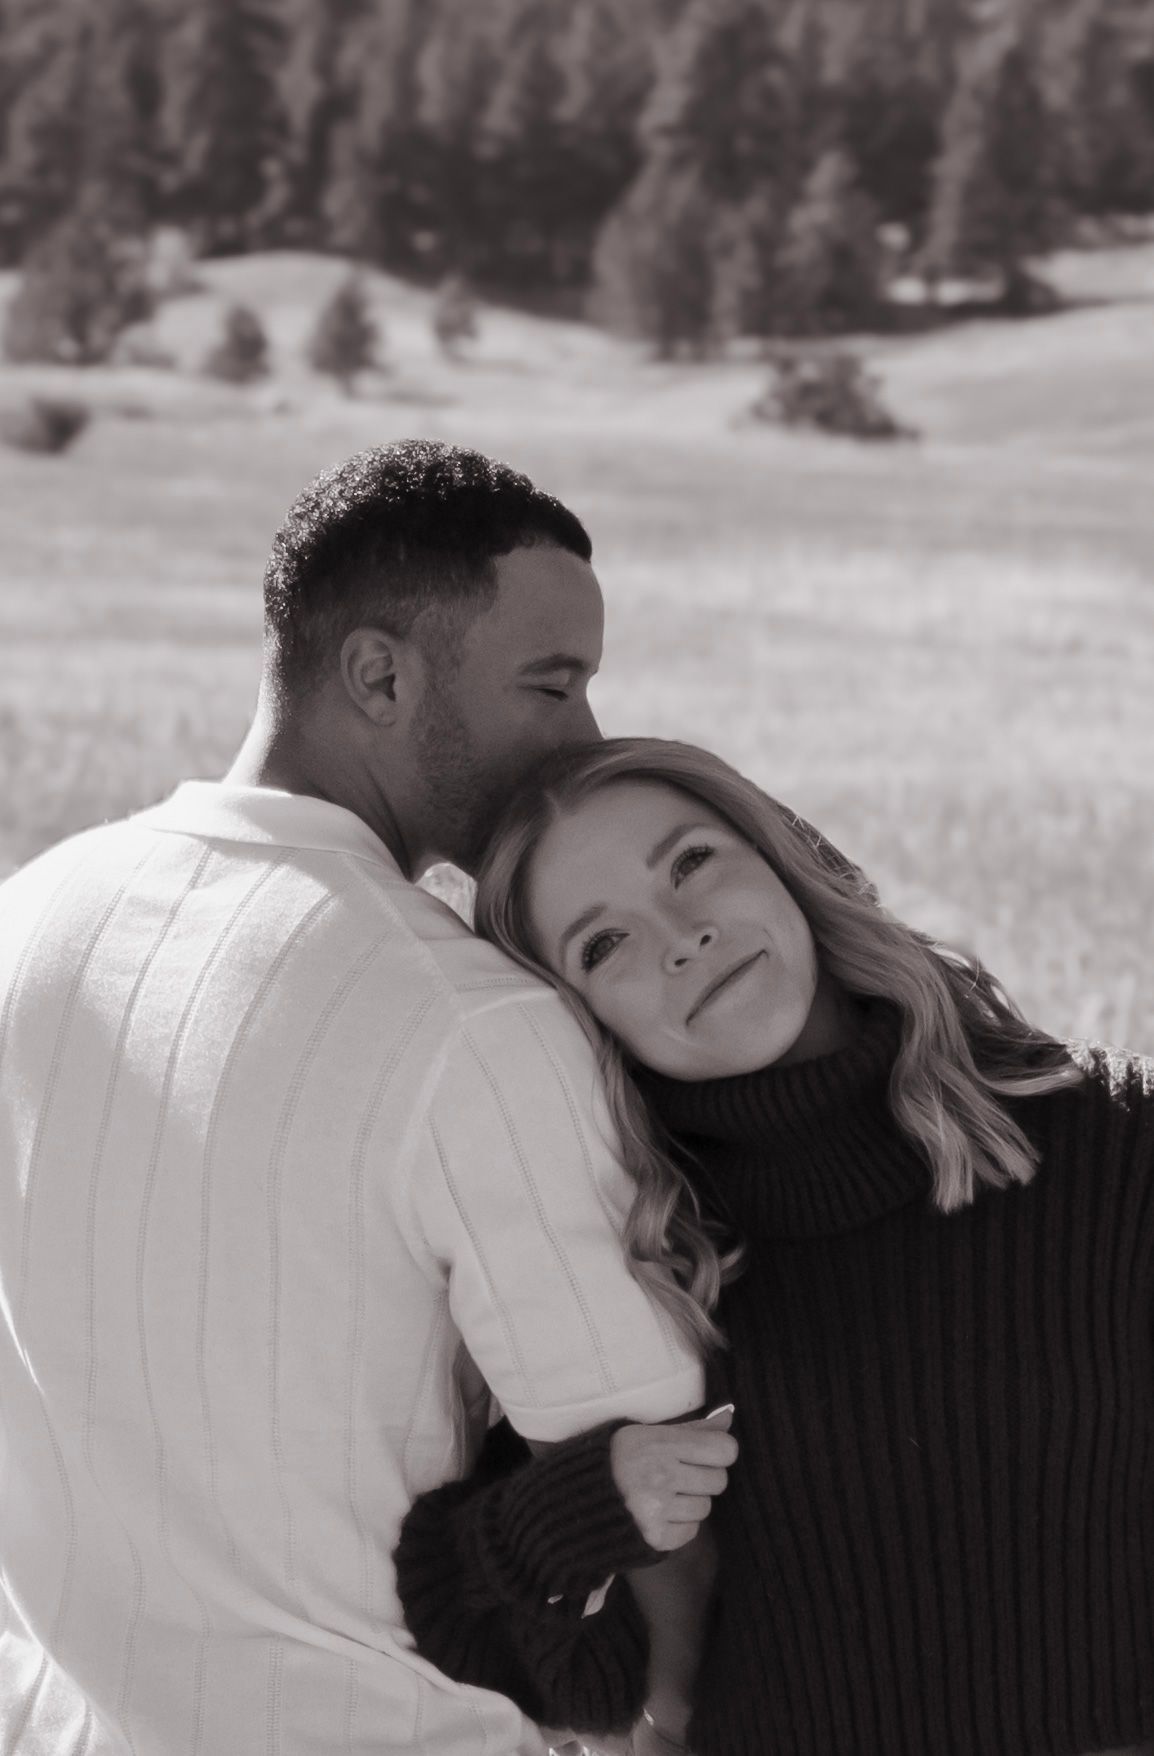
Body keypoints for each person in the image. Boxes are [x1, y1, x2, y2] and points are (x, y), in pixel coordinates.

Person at [0, 443, 739, 1756]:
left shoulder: (29, 918)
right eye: (549, 683)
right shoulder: (469, 1021)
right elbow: (648, 1473)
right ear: (379, 674)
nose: (583, 737)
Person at [395, 734, 1154, 1756]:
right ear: (570, 1019)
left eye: (692, 862)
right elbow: (541, 1659)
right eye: (601, 944)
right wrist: (577, 1509)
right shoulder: (635, 1267)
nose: (679, 935)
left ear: (785, 854)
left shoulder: (1117, 1144)